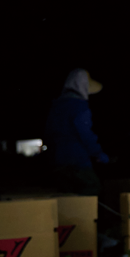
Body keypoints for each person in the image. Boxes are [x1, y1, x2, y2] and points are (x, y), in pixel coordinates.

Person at [43, 68, 110, 196]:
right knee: (92, 189)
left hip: (58, 163)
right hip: (78, 162)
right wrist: (98, 153)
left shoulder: (56, 106)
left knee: (68, 199)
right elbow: (85, 134)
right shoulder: (79, 107)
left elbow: (48, 134)